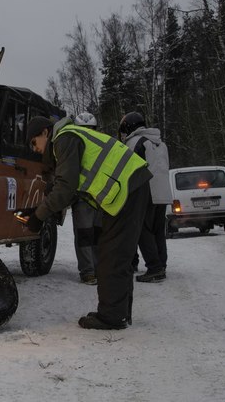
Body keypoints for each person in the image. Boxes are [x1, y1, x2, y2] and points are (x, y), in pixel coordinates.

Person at [23, 115, 152, 330]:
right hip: (129, 188)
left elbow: (65, 188)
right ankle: (119, 313)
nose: (35, 150)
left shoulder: (64, 139)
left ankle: (112, 316)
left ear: (45, 133)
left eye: (34, 143)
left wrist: (38, 217)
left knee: (112, 255)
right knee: (115, 253)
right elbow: (74, 189)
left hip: (127, 188)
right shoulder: (69, 138)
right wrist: (36, 210)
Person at [119, 112, 172, 283]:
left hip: (145, 192)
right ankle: (161, 265)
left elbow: (128, 169)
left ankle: (154, 268)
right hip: (162, 192)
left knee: (142, 230)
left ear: (129, 126)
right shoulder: (160, 143)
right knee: (157, 230)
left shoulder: (135, 142)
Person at [71, 112, 102, 285]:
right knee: (85, 235)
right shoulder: (75, 146)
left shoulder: (100, 146)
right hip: (83, 197)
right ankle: (88, 271)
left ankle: (96, 269)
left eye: (90, 130)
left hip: (98, 197)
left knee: (97, 235)